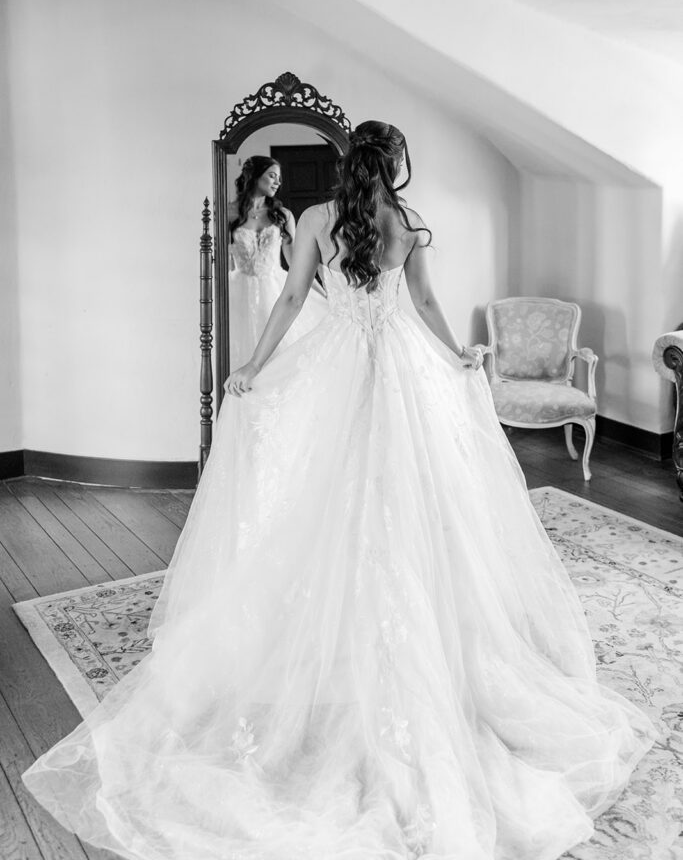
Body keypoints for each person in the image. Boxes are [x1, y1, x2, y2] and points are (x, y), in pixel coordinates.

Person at [22, 121, 656, 860]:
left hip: (337, 365)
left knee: (322, 501)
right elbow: (425, 306)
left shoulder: (319, 219)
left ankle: (335, 641)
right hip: (400, 370)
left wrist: (253, 366)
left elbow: (292, 299)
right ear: (396, 165)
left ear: (351, 159)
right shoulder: (406, 223)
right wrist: (457, 356)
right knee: (406, 502)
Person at [228, 154, 327, 369]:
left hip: (275, 287)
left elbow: (296, 263)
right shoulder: (228, 213)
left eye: (279, 178)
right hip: (238, 290)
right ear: (255, 176)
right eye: (272, 176)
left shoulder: (283, 215)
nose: (277, 182)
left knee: (280, 355)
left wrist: (323, 293)